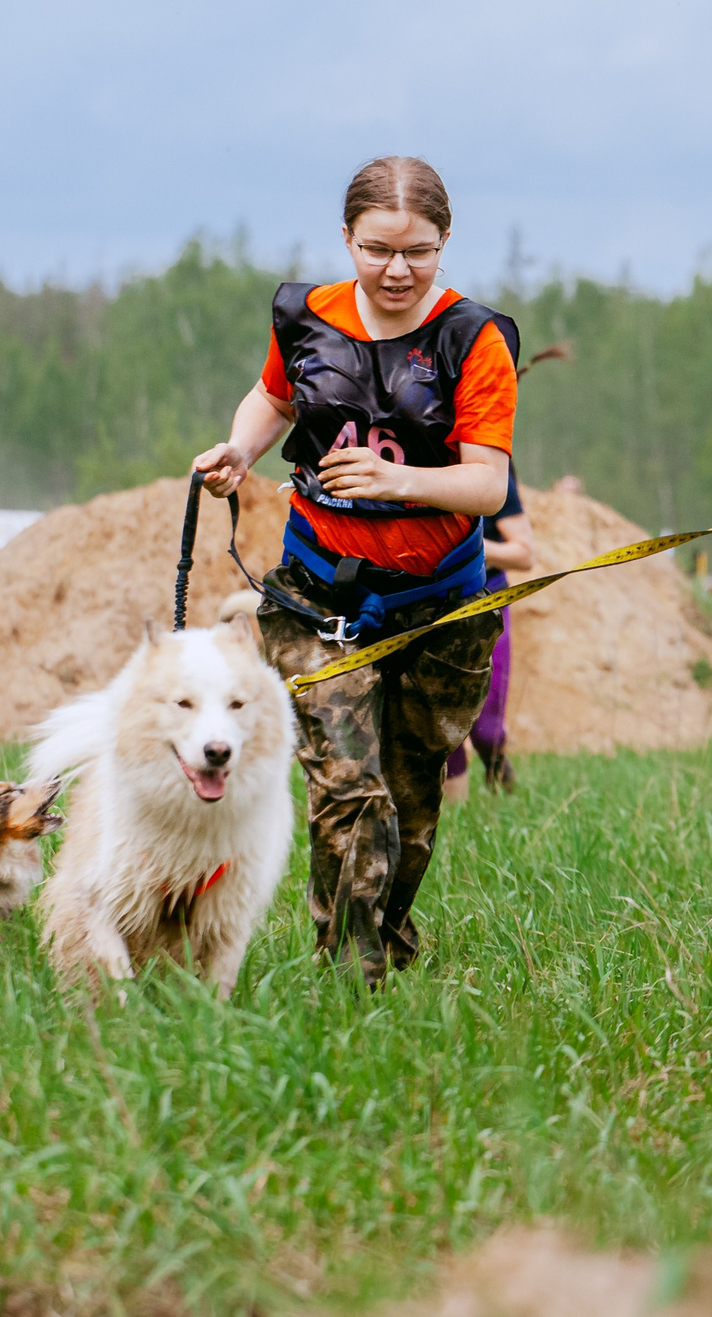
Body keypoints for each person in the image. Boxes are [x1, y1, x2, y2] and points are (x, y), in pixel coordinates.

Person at [192, 156, 517, 986]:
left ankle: (387, 938)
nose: (397, 269)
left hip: (439, 609)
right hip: (316, 597)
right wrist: (240, 449)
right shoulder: (305, 316)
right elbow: (272, 398)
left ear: (446, 243)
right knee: (346, 786)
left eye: (418, 250)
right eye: (377, 249)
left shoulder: (472, 339)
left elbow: (485, 483)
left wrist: (397, 481)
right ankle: (348, 978)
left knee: (411, 804)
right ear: (347, 239)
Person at [442, 467, 533, 801]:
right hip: (428, 605)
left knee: (486, 730)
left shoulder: (492, 475)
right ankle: (457, 826)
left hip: (487, 600)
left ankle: (498, 771)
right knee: (443, 726)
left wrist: (466, 544)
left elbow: (524, 554)